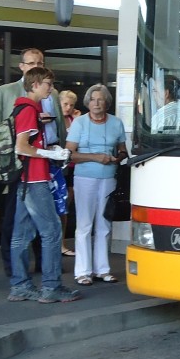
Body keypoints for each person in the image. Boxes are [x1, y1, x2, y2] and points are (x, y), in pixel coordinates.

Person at [0, 48, 66, 275]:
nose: (36, 67)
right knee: (25, 222)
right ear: (22, 66)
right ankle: (19, 271)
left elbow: (59, 126)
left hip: (48, 161)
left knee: (33, 222)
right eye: (31, 63)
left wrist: (59, 154)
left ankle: (35, 270)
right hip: (22, 165)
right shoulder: (7, 93)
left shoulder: (52, 94)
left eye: (40, 63)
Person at [6, 66, 79, 304]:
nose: (51, 88)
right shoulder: (29, 109)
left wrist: (48, 150)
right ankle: (51, 286)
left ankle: (20, 286)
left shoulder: (22, 107)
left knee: (20, 234)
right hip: (36, 178)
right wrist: (51, 154)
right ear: (35, 84)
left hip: (24, 178)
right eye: (48, 83)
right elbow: (22, 147)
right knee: (52, 231)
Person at [66, 83, 127, 285]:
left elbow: (123, 150)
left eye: (100, 99)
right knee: (84, 224)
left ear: (107, 102)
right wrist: (95, 157)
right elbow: (69, 154)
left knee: (104, 224)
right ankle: (82, 271)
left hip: (109, 177)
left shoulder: (116, 123)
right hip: (84, 177)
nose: (96, 103)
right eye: (92, 99)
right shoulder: (79, 123)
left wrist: (118, 158)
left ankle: (102, 269)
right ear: (87, 102)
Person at [57, 88, 81, 256]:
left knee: (66, 206)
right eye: (65, 104)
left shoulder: (75, 119)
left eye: (71, 105)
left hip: (72, 166)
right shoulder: (55, 119)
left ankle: (62, 242)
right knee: (59, 205)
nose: (68, 108)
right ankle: (57, 243)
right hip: (59, 166)